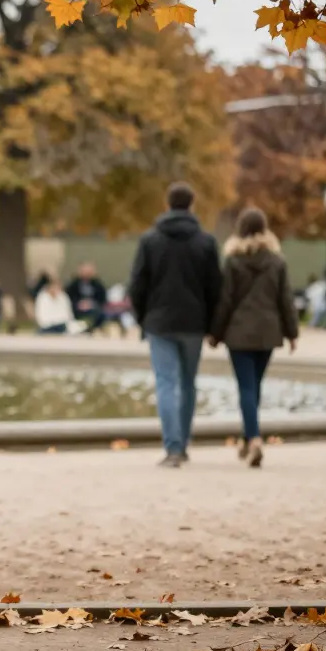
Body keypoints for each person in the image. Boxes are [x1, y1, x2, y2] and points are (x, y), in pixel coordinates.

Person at [128, 182, 223, 469]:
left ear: (166, 204)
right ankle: (183, 441)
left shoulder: (150, 240)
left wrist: (142, 317)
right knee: (188, 383)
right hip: (194, 322)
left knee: (166, 382)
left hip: (159, 320)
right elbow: (215, 288)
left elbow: (137, 284)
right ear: (192, 205)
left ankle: (172, 447)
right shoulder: (206, 242)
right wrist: (213, 325)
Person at [208, 209, 298, 469]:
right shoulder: (277, 261)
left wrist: (215, 332)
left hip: (239, 332)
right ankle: (248, 438)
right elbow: (285, 300)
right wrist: (292, 333)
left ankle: (254, 438)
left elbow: (225, 301)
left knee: (246, 387)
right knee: (255, 385)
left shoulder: (233, 261)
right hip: (269, 331)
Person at [65, 262, 108, 333]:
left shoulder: (98, 285)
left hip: (93, 308)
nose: (87, 274)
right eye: (85, 271)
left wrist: (91, 304)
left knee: (101, 314)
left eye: (89, 272)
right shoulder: (73, 284)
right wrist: (79, 303)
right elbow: (69, 298)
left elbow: (102, 298)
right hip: (77, 308)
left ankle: (94, 329)